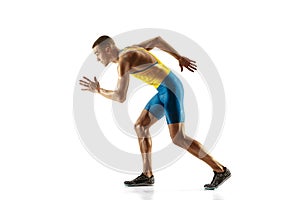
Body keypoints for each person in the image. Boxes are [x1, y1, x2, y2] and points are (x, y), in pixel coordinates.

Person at [79, 35, 231, 190]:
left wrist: (98, 90)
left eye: (97, 53)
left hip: (170, 89)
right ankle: (147, 175)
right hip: (164, 89)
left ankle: (220, 170)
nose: (97, 58)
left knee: (179, 138)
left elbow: (120, 96)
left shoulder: (124, 60)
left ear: (108, 49)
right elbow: (157, 40)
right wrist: (178, 57)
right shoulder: (130, 50)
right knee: (140, 126)